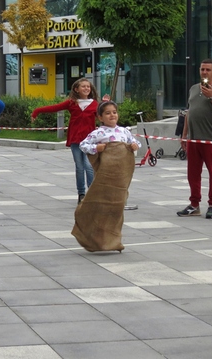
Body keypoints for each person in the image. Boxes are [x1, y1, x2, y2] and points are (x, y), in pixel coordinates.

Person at [72, 100, 141, 252]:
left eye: (114, 112)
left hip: (120, 179)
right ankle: (94, 237)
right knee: (102, 206)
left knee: (117, 207)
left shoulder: (124, 131)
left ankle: (114, 240)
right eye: (108, 113)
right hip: (105, 177)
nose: (112, 115)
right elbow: (84, 145)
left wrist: (135, 145)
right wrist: (97, 148)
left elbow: (136, 142)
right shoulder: (98, 133)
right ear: (100, 117)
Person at [32, 78, 108, 204]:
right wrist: (37, 111)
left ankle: (92, 193)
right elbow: (54, 108)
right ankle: (81, 194)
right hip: (76, 139)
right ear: (76, 89)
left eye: (88, 87)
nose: (86, 89)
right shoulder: (71, 103)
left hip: (90, 141)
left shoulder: (95, 104)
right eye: (83, 86)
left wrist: (106, 103)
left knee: (89, 167)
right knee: (79, 167)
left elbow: (104, 115)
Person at [176, 58, 212, 219]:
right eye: (202, 69)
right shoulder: (193, 89)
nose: (204, 72)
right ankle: (194, 204)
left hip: (211, 139)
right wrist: (184, 136)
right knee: (193, 173)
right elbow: (189, 112)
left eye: (208, 69)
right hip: (194, 139)